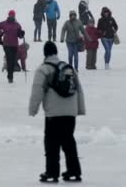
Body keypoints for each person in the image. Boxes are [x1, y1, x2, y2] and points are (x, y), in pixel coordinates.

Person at [29, 41, 85, 183]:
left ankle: (52, 173)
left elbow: (37, 90)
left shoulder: (44, 69)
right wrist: (79, 109)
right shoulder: (68, 67)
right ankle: (74, 171)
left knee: (51, 143)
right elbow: (79, 89)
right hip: (70, 114)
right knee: (69, 142)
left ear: (45, 53)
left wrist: (33, 109)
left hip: (53, 114)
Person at [0, 10, 24, 83]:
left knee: (13, 61)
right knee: (10, 60)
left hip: (14, 45)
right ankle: (10, 77)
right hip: (6, 45)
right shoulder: (4, 23)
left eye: (13, 15)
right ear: (9, 15)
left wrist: (22, 34)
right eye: (11, 15)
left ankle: (10, 75)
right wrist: (1, 32)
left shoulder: (17, 25)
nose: (12, 16)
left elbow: (19, 35)